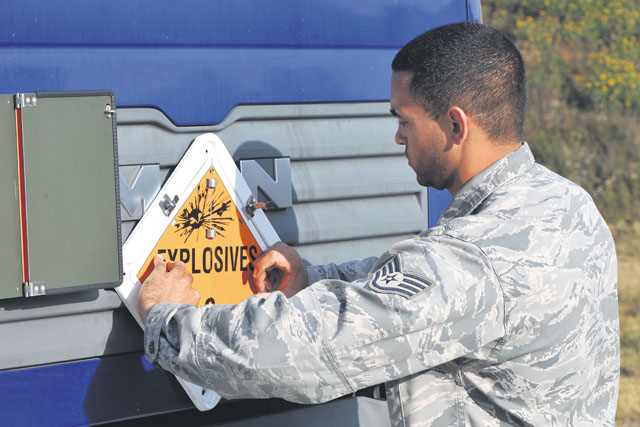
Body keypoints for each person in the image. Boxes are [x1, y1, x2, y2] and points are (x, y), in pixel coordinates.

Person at [139, 23, 619, 426]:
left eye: (404, 120)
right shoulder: (569, 206)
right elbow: (414, 288)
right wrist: (318, 278)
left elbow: (304, 354)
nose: (396, 136)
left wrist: (170, 320)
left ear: (456, 126)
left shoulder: (473, 260)